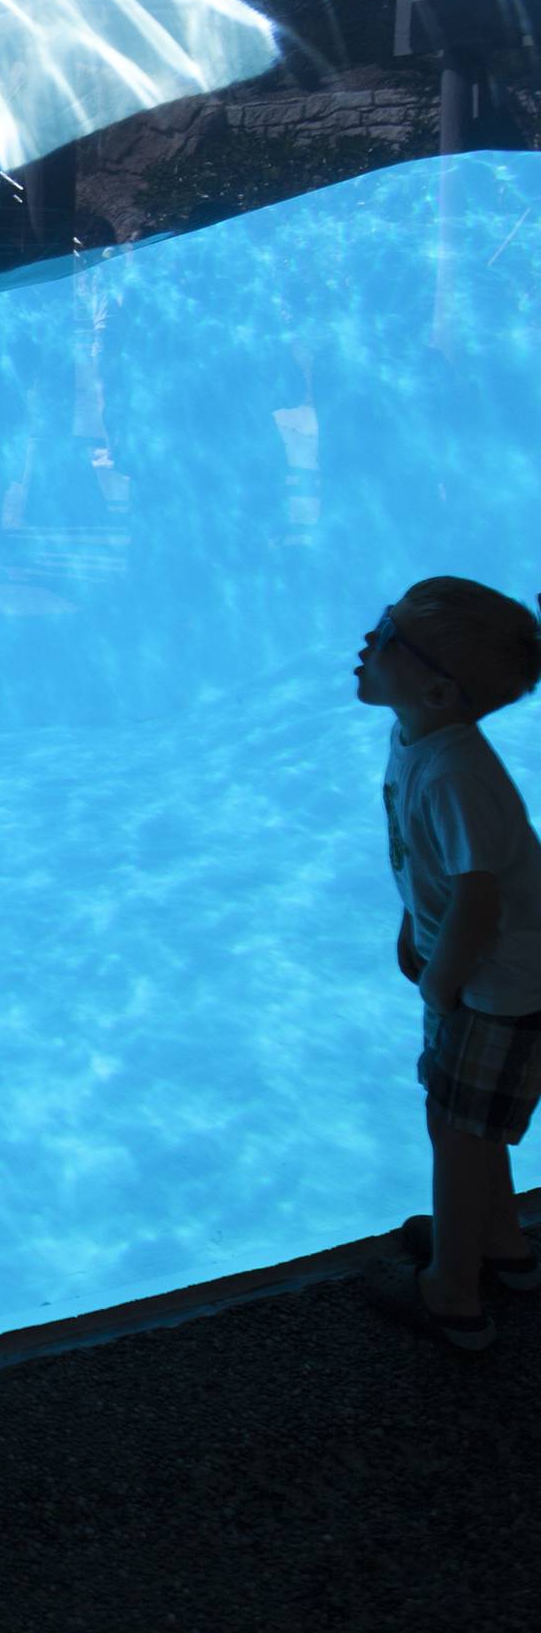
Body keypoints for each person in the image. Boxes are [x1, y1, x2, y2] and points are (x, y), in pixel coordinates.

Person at [356, 578, 541, 1349]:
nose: (368, 641)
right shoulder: (417, 736)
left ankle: (452, 1295)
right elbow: (427, 865)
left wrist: (442, 976)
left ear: (437, 686)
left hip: (498, 988)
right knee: (461, 1120)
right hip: (476, 976)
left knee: (457, 1132)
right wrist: (413, 925)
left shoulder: (457, 772)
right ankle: (503, 1244)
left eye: (389, 634)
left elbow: (478, 897)